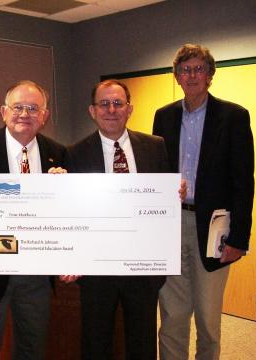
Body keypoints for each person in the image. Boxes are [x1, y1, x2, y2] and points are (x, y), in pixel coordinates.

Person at [153, 44, 255, 360]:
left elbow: (243, 182)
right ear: (177, 77)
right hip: (172, 225)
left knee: (209, 319)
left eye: (199, 69)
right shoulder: (164, 116)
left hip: (213, 228)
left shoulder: (234, 116)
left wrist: (239, 238)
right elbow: (157, 172)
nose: (192, 75)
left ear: (210, 75)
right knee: (172, 315)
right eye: (186, 70)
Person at [0, 80, 66, 360]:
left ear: (44, 116)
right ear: (3, 112)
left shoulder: (59, 154)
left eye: (33, 108)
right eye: (18, 107)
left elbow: (66, 215)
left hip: (37, 275)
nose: (24, 114)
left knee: (32, 348)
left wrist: (63, 190)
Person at [65, 79, 174, 360]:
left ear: (130, 109)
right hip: (97, 268)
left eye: (118, 103)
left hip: (143, 266)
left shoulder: (155, 147)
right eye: (104, 104)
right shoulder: (74, 153)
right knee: (96, 341)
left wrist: (175, 193)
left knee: (142, 342)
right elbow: (71, 210)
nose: (111, 110)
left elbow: (164, 206)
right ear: (92, 111)